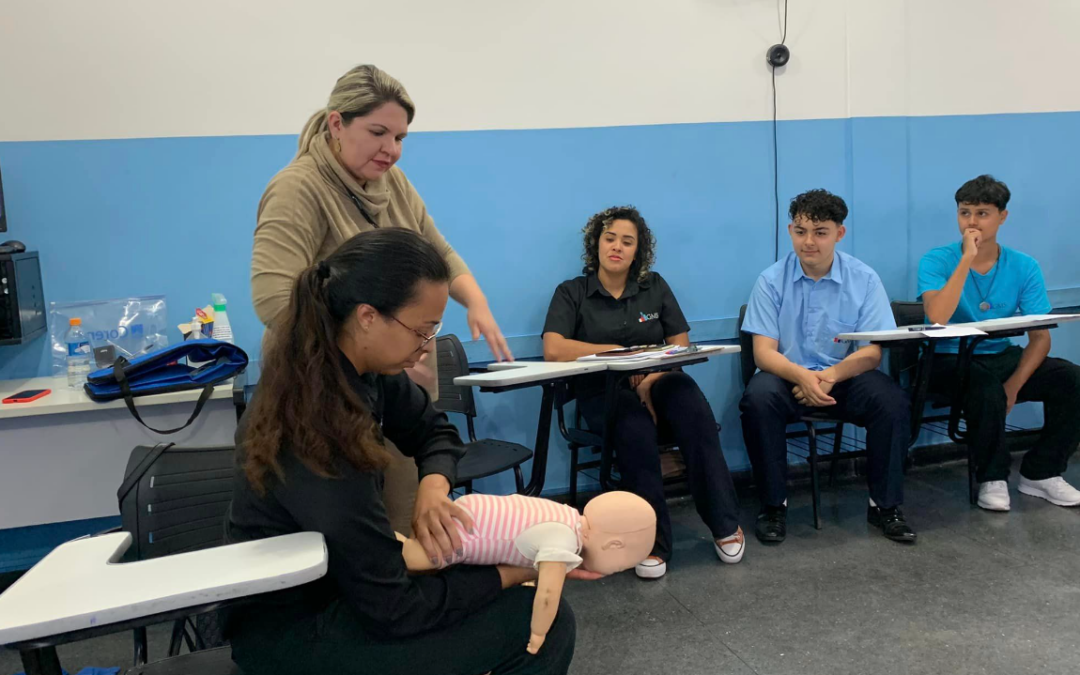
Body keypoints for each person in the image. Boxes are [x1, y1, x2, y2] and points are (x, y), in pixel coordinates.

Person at [226, 229, 579, 675]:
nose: (427, 344)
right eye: (422, 329)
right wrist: (519, 568)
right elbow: (396, 609)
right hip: (293, 632)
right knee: (541, 621)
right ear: (368, 317)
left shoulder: (359, 369)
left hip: (348, 586)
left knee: (511, 605)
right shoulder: (315, 424)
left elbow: (435, 432)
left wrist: (434, 486)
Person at [250, 64, 512, 534]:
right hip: (327, 386)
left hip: (390, 378)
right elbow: (273, 299)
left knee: (406, 505)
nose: (391, 150)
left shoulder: (394, 184)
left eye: (400, 137)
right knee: (359, 528)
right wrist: (360, 349)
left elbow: (439, 252)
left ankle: (410, 591)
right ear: (336, 124)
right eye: (377, 132)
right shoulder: (297, 188)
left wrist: (476, 301)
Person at [542, 206, 744, 580]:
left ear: (638, 251)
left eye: (627, 241)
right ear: (596, 244)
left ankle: (725, 524)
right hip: (604, 391)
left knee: (692, 408)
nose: (616, 247)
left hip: (658, 378)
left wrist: (651, 376)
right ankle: (652, 542)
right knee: (634, 430)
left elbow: (679, 343)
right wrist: (621, 355)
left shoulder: (655, 286)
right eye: (609, 238)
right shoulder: (573, 292)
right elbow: (554, 348)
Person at [740, 189, 916, 544]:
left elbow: (871, 353)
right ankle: (774, 505)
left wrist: (830, 376)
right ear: (790, 230)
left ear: (839, 233)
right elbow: (763, 353)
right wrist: (804, 377)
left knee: (892, 402)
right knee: (757, 400)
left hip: (843, 376)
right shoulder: (770, 281)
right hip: (786, 376)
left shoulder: (863, 279)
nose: (809, 242)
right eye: (801, 231)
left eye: (820, 232)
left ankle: (885, 505)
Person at [918, 174, 1080, 511]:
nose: (972, 222)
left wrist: (1015, 385)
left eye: (982, 213)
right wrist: (965, 259)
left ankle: (1042, 472)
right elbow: (937, 317)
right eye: (965, 213)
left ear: (1002, 216)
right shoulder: (936, 260)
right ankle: (992, 478)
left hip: (1000, 355)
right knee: (985, 388)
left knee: (1071, 379)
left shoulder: (1024, 266)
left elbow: (1040, 337)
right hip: (949, 360)